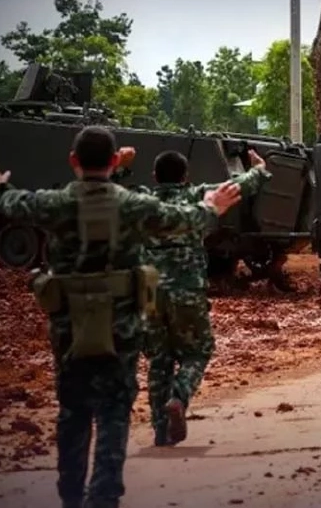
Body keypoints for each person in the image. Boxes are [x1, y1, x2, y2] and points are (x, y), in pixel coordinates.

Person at [0, 127, 243, 508]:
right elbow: (183, 218)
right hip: (122, 328)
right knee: (115, 413)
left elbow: (14, 203)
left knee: (73, 412)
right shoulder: (131, 205)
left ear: (73, 161)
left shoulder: (57, 204)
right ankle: (104, 496)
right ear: (114, 162)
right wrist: (212, 205)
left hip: (70, 329)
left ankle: (70, 496)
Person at [129, 148, 270, 447]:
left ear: (155, 176)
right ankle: (179, 397)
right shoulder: (198, 197)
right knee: (197, 352)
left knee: (159, 359)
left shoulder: (143, 202)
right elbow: (237, 187)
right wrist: (258, 170)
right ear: (186, 176)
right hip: (187, 289)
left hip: (150, 293)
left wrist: (118, 167)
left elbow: (109, 193)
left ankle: (160, 429)